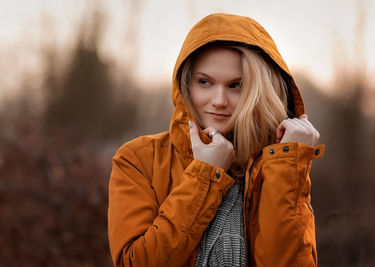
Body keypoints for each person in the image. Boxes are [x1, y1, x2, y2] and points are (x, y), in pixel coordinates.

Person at [108, 13, 324, 267]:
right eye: (204, 82)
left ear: (260, 90)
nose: (219, 100)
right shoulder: (138, 158)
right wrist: (205, 175)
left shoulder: (277, 165)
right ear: (186, 85)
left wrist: (289, 163)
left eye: (236, 86)